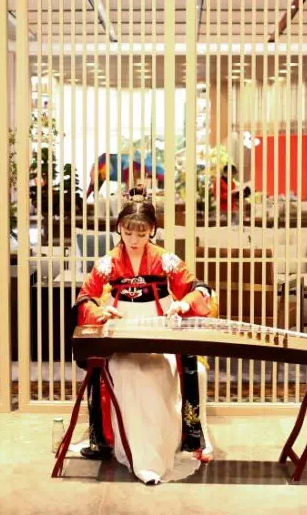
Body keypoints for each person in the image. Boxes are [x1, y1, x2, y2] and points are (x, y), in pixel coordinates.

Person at [72, 198, 214, 484]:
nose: (134, 240)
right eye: (128, 232)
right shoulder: (108, 262)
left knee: (157, 375)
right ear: (119, 229)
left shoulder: (165, 259)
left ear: (152, 230)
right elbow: (85, 298)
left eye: (141, 233)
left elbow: (198, 288)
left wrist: (183, 304)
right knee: (128, 375)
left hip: (159, 332)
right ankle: (139, 459)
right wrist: (101, 312)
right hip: (123, 332)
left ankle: (162, 453)